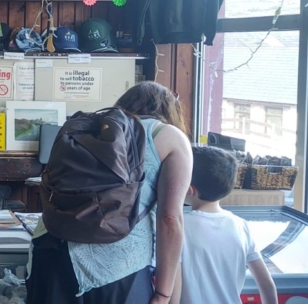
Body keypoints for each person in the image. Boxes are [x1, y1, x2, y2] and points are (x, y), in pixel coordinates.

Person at [27, 81, 193, 304]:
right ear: (170, 110)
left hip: (51, 250)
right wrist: (164, 294)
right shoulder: (169, 136)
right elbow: (170, 219)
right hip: (116, 267)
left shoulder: (92, 130)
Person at [174, 146, 277, 304]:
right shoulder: (242, 226)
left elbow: (174, 293)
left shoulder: (179, 227)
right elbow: (267, 285)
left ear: (189, 189)